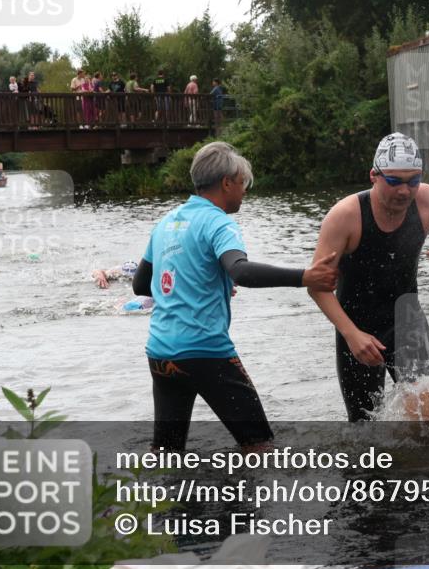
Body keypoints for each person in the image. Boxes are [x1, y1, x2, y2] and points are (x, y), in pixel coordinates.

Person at [131, 141, 339, 451]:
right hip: (206, 352)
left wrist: (202, 284)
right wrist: (304, 276)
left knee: (167, 453)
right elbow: (241, 271)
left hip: (161, 353)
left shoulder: (167, 222)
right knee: (261, 448)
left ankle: (165, 500)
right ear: (227, 183)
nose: (244, 191)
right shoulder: (219, 223)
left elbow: (141, 285)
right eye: (243, 183)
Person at [308, 133, 429, 422]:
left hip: (408, 318)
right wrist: (351, 335)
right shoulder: (346, 215)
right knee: (364, 430)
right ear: (374, 175)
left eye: (413, 180)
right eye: (395, 181)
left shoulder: (427, 199)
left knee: (426, 421)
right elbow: (316, 285)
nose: (405, 190)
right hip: (356, 327)